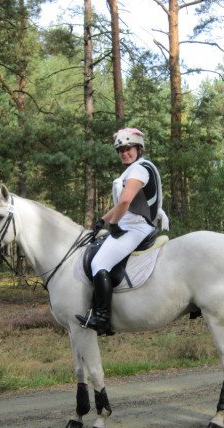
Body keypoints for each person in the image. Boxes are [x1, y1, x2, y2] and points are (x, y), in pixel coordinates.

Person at [76, 128, 169, 335]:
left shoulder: (138, 170)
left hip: (136, 227)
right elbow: (122, 203)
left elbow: (126, 201)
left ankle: (102, 319)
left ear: (138, 148)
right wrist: (103, 220)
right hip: (130, 223)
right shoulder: (135, 169)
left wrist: (114, 224)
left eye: (128, 148)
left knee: (99, 264)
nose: (124, 153)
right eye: (121, 150)